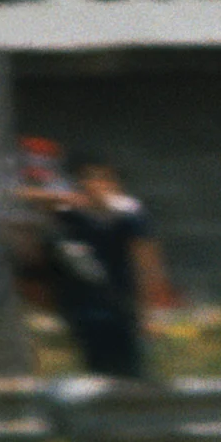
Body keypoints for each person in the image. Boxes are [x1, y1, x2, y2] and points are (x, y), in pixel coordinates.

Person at [33, 152, 163, 379]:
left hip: (122, 306)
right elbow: (24, 199)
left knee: (131, 372)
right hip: (86, 309)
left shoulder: (128, 216)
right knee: (97, 371)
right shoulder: (71, 217)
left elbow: (146, 264)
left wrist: (148, 313)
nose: (94, 186)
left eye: (101, 179)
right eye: (86, 179)